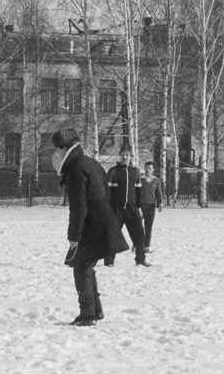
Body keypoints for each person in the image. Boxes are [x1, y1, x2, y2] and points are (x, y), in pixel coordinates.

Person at [52, 128, 129, 326]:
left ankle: (88, 314)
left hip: (92, 224)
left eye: (58, 149)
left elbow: (79, 207)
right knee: (86, 266)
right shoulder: (90, 163)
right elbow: (105, 193)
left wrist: (74, 236)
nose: (56, 154)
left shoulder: (75, 169)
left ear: (64, 148)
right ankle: (95, 310)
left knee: (81, 268)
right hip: (102, 221)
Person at [106, 146, 150, 266]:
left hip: (132, 209)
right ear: (120, 156)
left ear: (131, 157)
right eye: (122, 154)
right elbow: (107, 191)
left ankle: (140, 259)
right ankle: (109, 261)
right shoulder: (113, 171)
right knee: (112, 234)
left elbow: (138, 191)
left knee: (139, 234)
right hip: (116, 209)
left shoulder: (135, 171)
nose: (124, 157)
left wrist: (139, 207)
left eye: (127, 155)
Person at [140, 160, 164, 252]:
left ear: (153, 169)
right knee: (138, 226)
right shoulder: (140, 179)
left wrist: (160, 203)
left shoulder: (156, 181)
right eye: (146, 168)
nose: (147, 170)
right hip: (140, 206)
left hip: (150, 207)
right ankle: (137, 244)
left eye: (149, 168)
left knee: (148, 227)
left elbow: (159, 193)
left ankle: (146, 246)